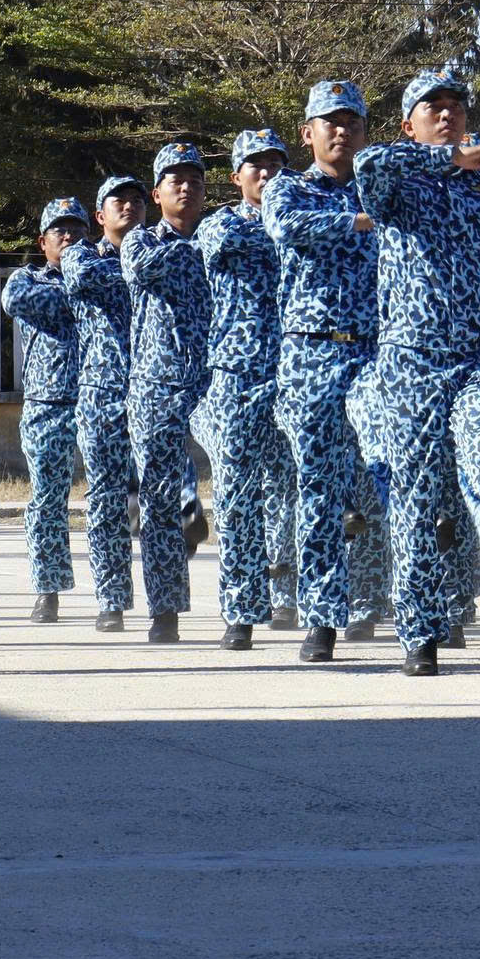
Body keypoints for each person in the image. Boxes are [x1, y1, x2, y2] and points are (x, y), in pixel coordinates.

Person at [353, 70, 480, 676]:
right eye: (431, 108)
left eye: (455, 108)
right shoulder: (399, 182)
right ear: (409, 124)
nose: (446, 115)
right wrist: (445, 159)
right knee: (413, 497)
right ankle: (421, 631)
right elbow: (369, 169)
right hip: (409, 360)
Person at [264, 80, 388, 663]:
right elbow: (288, 228)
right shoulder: (288, 189)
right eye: (330, 122)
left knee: (385, 479)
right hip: (311, 353)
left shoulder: (385, 190)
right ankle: (321, 616)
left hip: (379, 351)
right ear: (308, 132)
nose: (342, 131)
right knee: (319, 487)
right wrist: (360, 223)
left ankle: (389, 604)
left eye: (353, 123)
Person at [195, 131, 291, 649]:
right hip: (237, 372)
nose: (267, 172)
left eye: (277, 163)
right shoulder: (221, 225)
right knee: (237, 492)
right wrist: (300, 228)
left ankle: (291, 595)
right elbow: (235, 242)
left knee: (297, 487)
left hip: (297, 366)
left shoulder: (304, 214)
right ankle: (241, 607)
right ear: (237, 177)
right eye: (255, 165)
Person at [123, 143, 213, 642]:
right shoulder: (140, 243)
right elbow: (146, 269)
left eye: (194, 179)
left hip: (215, 377)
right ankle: (166, 610)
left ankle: (255, 600)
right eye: (174, 179)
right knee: (158, 500)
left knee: (251, 475)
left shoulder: (223, 234)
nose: (185, 186)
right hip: (156, 382)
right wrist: (212, 253)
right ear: (156, 193)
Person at [62, 177, 145, 632]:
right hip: (100, 394)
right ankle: (111, 599)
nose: (130, 206)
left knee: (161, 496)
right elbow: (81, 278)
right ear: (100, 216)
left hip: (155, 386)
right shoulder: (81, 254)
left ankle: (165, 603)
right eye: (119, 201)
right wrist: (142, 268)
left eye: (137, 199)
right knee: (108, 501)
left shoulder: (161, 244)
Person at [4, 200, 86, 619]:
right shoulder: (26, 280)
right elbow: (18, 302)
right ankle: (47, 588)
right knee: (48, 498)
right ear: (43, 241)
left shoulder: (110, 273)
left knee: (123, 492)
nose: (69, 236)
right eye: (60, 231)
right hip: (47, 404)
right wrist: (81, 289)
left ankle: (118, 599)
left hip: (101, 398)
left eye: (77, 229)